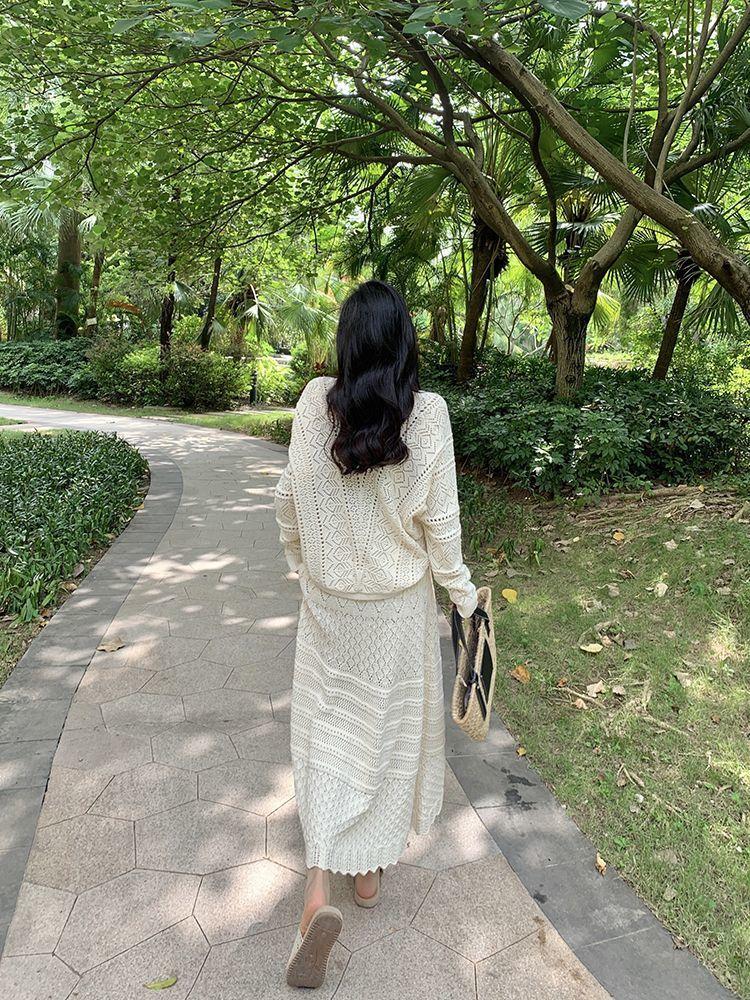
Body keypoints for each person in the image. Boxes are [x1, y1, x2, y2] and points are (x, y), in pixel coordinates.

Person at [274, 279, 478, 989]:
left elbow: (289, 501)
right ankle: (367, 879)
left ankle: (317, 888)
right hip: (396, 615)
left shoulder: (312, 404)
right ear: (404, 344)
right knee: (386, 739)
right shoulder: (430, 416)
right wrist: (464, 597)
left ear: (347, 342)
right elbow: (442, 528)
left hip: (330, 608)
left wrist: (301, 564)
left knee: (325, 734)